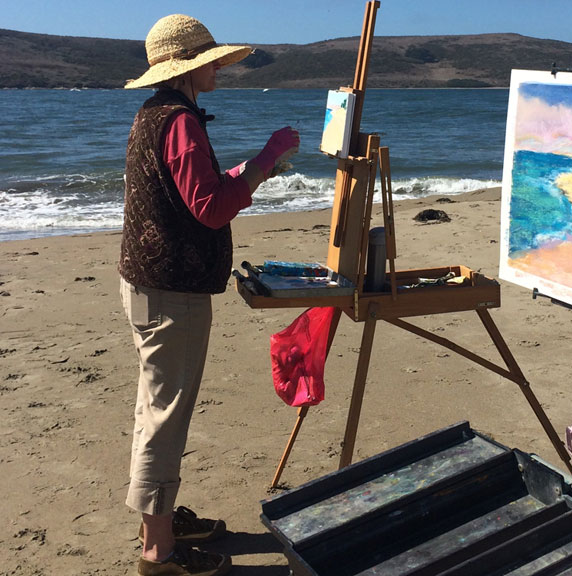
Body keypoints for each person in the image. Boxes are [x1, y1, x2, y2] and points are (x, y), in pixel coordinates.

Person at [119, 14, 299, 576]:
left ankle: (161, 523)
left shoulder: (156, 114)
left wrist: (253, 170)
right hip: (172, 290)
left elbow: (201, 193)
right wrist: (267, 158)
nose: (219, 66)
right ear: (193, 68)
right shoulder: (179, 122)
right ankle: (159, 553)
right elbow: (212, 207)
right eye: (212, 59)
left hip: (149, 282)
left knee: (156, 408)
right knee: (164, 416)